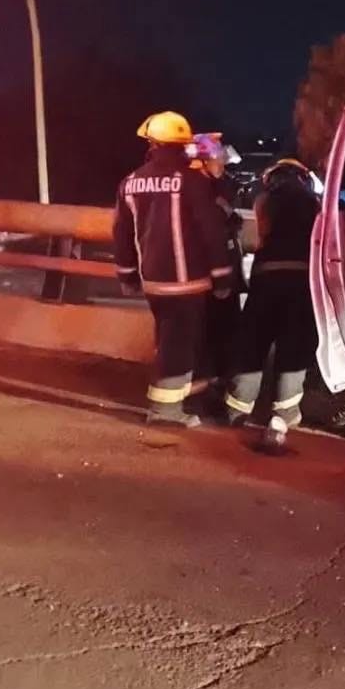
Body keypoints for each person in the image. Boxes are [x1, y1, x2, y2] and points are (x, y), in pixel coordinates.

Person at [113, 112, 235, 427]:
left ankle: (173, 401)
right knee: (179, 343)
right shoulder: (191, 181)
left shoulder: (130, 182)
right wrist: (222, 276)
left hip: (153, 281)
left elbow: (122, 233)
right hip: (188, 282)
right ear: (182, 146)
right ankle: (165, 412)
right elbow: (211, 231)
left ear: (152, 143)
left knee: (168, 339)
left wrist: (127, 274)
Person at [225, 158, 320, 452]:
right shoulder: (314, 202)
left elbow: (264, 233)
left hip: (267, 277)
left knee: (253, 342)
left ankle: (237, 411)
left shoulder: (265, 200)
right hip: (302, 279)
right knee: (294, 348)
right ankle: (285, 414)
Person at [186, 133, 245, 410]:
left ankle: (214, 389)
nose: (222, 163)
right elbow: (213, 236)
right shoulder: (200, 190)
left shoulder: (212, 188)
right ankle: (205, 396)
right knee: (211, 336)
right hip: (210, 277)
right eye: (217, 159)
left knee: (222, 334)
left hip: (219, 274)